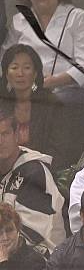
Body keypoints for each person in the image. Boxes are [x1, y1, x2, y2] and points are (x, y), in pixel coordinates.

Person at [1, 0, 84, 109]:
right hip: (28, 89)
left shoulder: (78, 17)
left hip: (71, 90)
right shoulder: (19, 20)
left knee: (43, 103)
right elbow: (4, 58)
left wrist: (53, 81)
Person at [0, 43, 80, 173]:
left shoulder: (52, 105)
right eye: (14, 67)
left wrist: (35, 169)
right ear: (7, 74)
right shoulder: (1, 104)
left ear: (35, 73)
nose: (20, 73)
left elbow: (60, 150)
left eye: (26, 68)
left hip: (41, 173)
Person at [0, 99, 65, 253]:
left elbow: (28, 235)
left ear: (17, 134)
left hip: (41, 263)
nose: (0, 141)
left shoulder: (34, 172)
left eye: (5, 134)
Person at [0, 202, 45, 270]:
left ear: (18, 230)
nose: (5, 237)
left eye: (9, 230)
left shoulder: (35, 262)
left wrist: (4, 265)